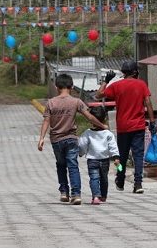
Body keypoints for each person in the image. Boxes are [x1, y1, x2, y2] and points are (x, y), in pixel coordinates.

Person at [38, 74, 109, 206]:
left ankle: (64, 192)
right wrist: (102, 125)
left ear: (56, 87)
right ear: (71, 87)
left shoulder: (51, 103)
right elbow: (89, 117)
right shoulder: (76, 102)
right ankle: (76, 194)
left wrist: (41, 138)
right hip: (71, 139)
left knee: (60, 165)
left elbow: (46, 121)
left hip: (56, 140)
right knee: (73, 166)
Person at [95, 61, 156, 194]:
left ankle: (120, 178)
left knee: (121, 156)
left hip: (123, 127)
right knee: (138, 156)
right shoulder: (141, 84)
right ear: (135, 72)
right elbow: (148, 103)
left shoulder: (116, 85)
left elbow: (98, 95)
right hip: (138, 126)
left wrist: (106, 81)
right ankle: (138, 183)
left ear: (123, 72)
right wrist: (152, 122)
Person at [78, 106, 120, 205]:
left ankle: (95, 196)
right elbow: (113, 146)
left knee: (94, 178)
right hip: (105, 160)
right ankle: (103, 196)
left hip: (92, 160)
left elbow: (82, 144)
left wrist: (80, 153)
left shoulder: (87, 133)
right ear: (104, 119)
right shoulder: (108, 134)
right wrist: (116, 157)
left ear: (91, 120)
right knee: (104, 178)